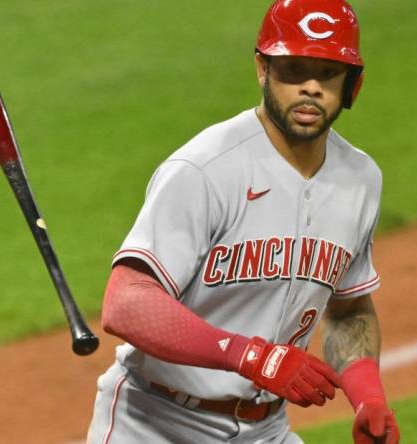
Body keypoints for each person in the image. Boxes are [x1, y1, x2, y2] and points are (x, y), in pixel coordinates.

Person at [86, 0, 400, 442]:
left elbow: (348, 309)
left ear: (353, 84)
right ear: (262, 69)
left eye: (327, 72)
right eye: (293, 69)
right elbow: (127, 303)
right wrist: (251, 357)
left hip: (267, 430)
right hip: (155, 424)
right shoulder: (205, 169)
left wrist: (369, 397)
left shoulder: (360, 179)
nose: (310, 87)